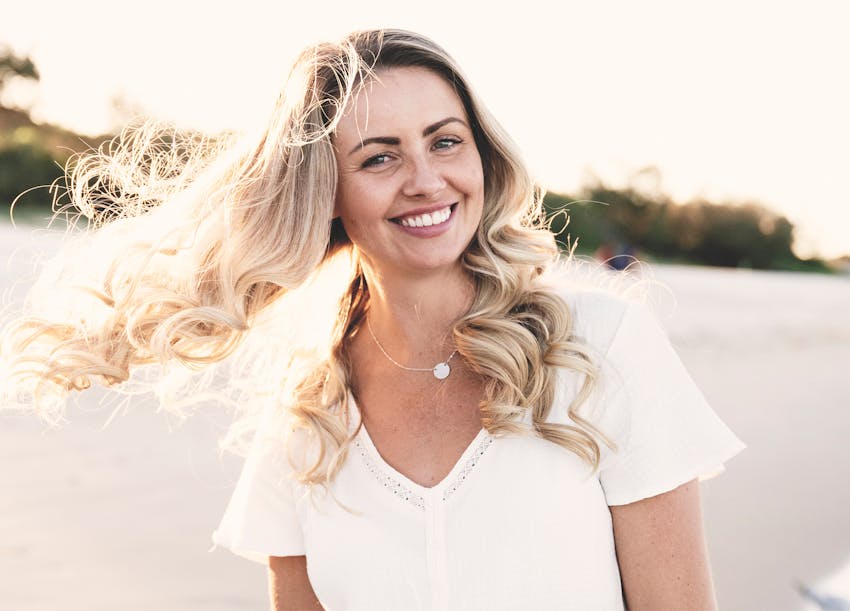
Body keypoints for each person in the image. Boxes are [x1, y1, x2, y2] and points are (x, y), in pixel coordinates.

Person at [2, 29, 744, 610]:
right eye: (380, 158)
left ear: (482, 158)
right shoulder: (307, 412)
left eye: (445, 141)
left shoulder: (600, 345)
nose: (426, 180)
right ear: (325, 191)